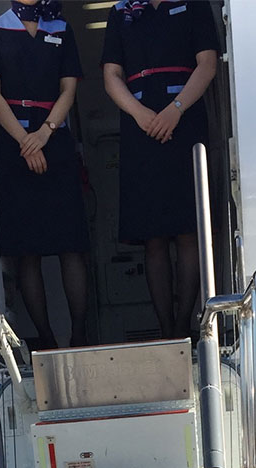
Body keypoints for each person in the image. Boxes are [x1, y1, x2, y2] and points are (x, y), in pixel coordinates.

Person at [101, 0, 219, 339]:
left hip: (184, 122)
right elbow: (111, 76)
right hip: (141, 127)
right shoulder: (121, 12)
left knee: (188, 231)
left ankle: (185, 322)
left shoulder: (193, 5)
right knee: (153, 236)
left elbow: (207, 64)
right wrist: (139, 114)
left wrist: (176, 109)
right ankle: (167, 328)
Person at [0, 0, 90, 349]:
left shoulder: (61, 28)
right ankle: (46, 339)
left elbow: (68, 90)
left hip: (53, 139)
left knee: (71, 245)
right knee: (27, 250)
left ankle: (79, 334)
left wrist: (44, 134)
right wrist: (24, 141)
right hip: (14, 143)